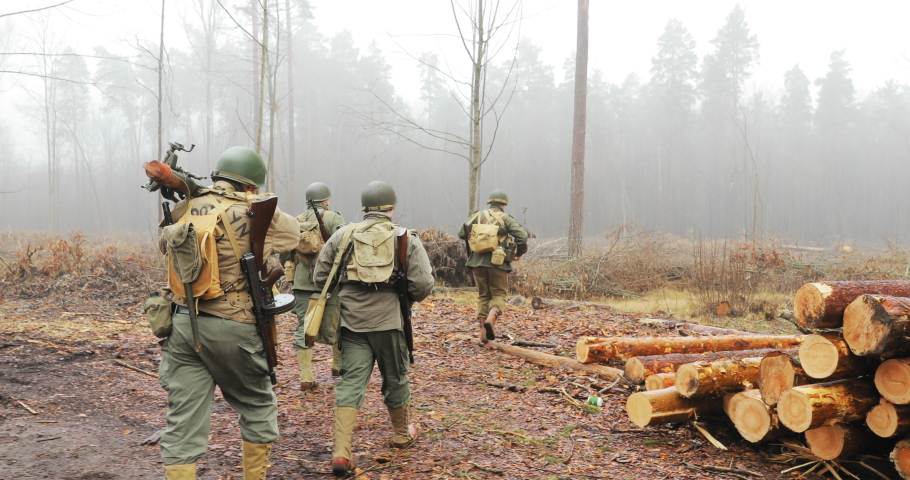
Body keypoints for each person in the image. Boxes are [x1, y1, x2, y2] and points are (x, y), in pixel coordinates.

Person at [157, 146, 299, 480]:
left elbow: (163, 247)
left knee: (182, 424)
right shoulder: (254, 208)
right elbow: (294, 236)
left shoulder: (183, 207)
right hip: (234, 326)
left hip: (183, 324)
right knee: (257, 405)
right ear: (252, 184)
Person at [313, 181, 434, 477]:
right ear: (391, 209)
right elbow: (423, 285)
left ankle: (341, 453)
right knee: (396, 376)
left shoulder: (344, 234)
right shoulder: (405, 238)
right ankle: (401, 435)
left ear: (364, 208)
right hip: (391, 322)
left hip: (351, 322)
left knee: (352, 383)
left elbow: (320, 278)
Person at [279, 182, 345, 390]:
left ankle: (306, 376)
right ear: (325, 200)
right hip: (330, 282)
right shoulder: (335, 217)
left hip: (301, 282)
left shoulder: (295, 221)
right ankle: (337, 366)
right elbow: (343, 246)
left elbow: (285, 253)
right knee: (338, 321)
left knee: (303, 326)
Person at [458, 189, 528, 344]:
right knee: (499, 294)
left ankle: (483, 333)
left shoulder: (477, 216)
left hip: (476, 261)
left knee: (483, 296)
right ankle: (492, 318)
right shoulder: (506, 218)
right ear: (504, 204)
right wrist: (519, 252)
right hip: (498, 262)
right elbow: (522, 236)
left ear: (489, 202)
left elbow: (461, 233)